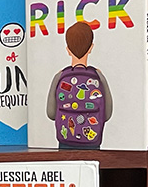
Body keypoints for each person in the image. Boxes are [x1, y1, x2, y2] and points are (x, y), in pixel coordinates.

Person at [45, 20, 113, 149]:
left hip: (65, 141)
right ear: (91, 48)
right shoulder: (98, 76)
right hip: (92, 142)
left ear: (68, 50)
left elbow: (51, 113)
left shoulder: (59, 76)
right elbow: (107, 114)